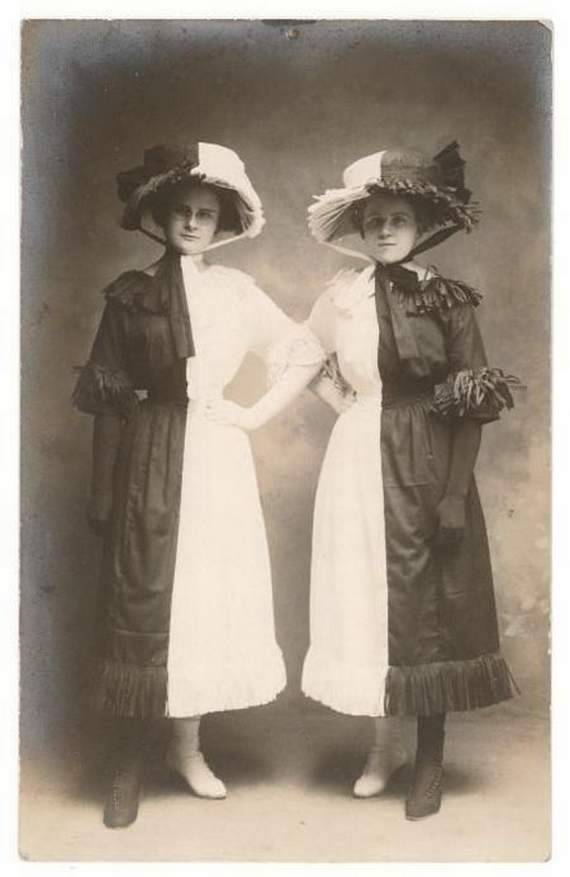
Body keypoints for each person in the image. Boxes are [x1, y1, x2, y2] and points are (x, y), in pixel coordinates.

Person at [73, 142, 323, 828]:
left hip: (216, 457)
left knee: (202, 604)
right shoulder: (131, 294)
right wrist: (102, 490)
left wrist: (252, 414)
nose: (192, 222)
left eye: (206, 213)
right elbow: (108, 399)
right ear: (161, 216)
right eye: (182, 210)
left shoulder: (236, 292)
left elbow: (302, 351)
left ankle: (187, 749)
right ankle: (127, 763)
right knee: (145, 602)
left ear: (222, 223)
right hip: (149, 452)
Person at [301, 143, 521, 820]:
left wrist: (452, 494)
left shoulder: (446, 299)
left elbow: (473, 404)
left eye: (398, 218)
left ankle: (429, 758)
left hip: (429, 462)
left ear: (421, 224)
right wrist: (349, 405)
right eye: (374, 220)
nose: (385, 229)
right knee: (370, 602)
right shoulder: (341, 296)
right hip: (357, 460)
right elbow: (299, 355)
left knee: (429, 613)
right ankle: (383, 747)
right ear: (359, 229)